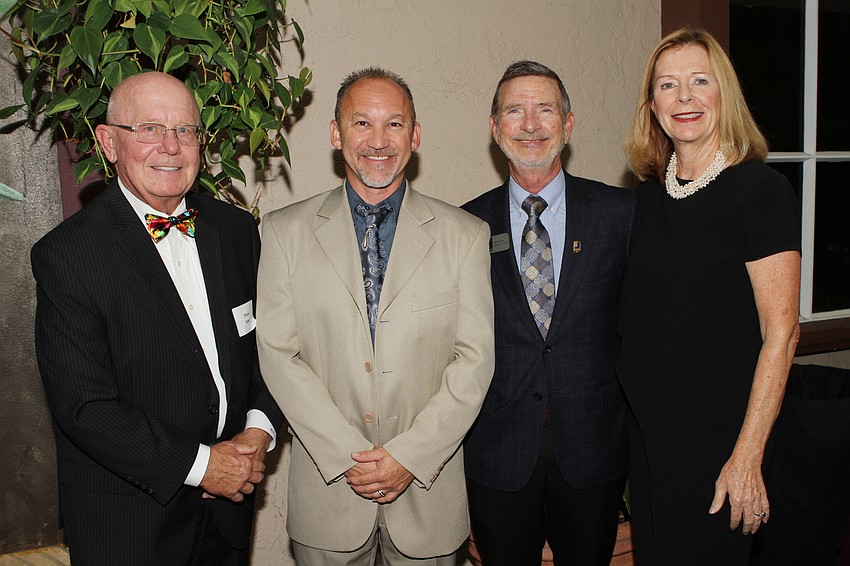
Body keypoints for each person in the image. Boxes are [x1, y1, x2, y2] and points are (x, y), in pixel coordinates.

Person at [31, 72, 284, 566]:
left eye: (185, 130)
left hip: (228, 516)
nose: (169, 147)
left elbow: (271, 350)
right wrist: (204, 465)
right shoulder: (68, 256)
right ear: (109, 142)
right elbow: (86, 407)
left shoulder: (236, 232)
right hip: (129, 526)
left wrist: (257, 434)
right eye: (148, 128)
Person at [256, 68, 495, 565]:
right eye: (361, 123)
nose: (378, 141)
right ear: (336, 133)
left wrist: (408, 456)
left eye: (394, 124)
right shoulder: (283, 233)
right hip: (328, 497)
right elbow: (279, 356)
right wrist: (352, 459)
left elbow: (474, 362)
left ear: (416, 135)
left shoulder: (465, 235)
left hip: (430, 498)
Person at [618, 28, 801, 565]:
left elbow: (783, 333)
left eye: (700, 81)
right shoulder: (647, 199)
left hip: (722, 447)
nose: (685, 98)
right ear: (652, 107)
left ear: (725, 92)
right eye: (668, 85)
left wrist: (747, 455)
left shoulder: (761, 193)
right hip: (650, 446)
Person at [462, 61, 634, 566]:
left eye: (545, 109)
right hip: (498, 451)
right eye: (515, 111)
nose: (531, 124)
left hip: (594, 448)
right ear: (496, 129)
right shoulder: (465, 225)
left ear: (568, 123)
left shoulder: (621, 216)